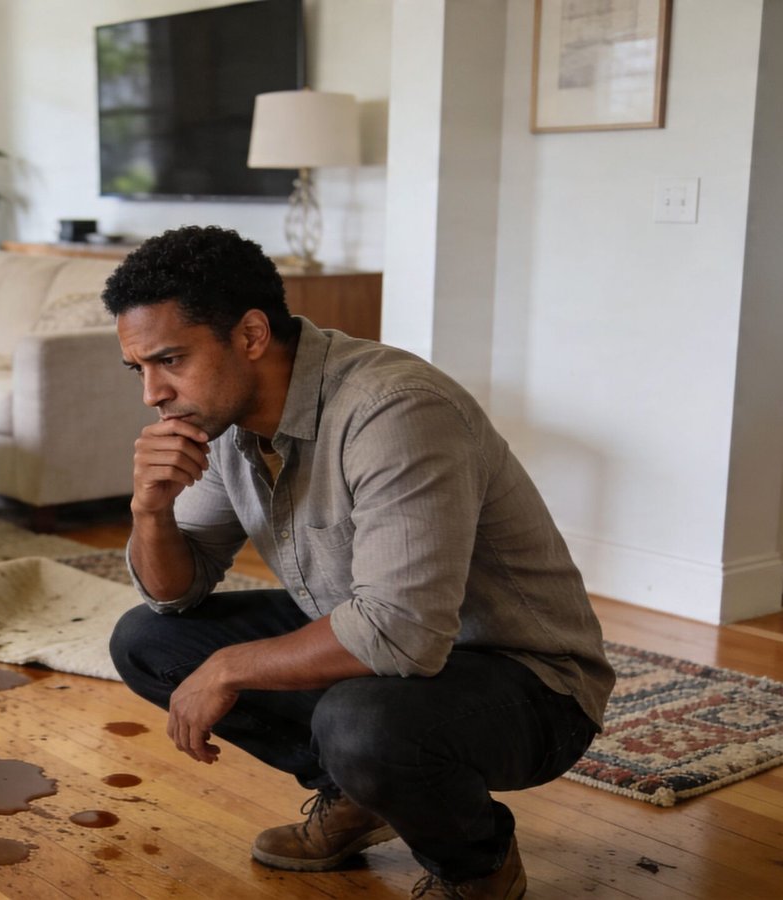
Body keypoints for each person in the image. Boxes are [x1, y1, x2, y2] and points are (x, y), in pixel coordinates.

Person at [104, 226, 613, 899]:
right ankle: (360, 795)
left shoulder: (394, 409)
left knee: (362, 724)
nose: (152, 393)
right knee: (147, 641)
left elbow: (400, 629)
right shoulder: (223, 421)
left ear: (251, 336)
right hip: (384, 648)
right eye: (138, 368)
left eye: (170, 360)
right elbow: (175, 592)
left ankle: (478, 865)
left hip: (527, 682)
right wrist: (150, 511)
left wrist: (229, 665)